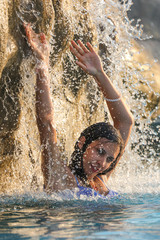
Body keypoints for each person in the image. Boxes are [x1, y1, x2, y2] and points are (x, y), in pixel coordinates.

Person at [24, 23, 134, 197]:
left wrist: (100, 74)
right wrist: (42, 64)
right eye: (100, 152)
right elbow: (46, 123)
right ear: (82, 143)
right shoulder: (60, 176)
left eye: (109, 159)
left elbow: (125, 122)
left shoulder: (100, 179)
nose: (102, 163)